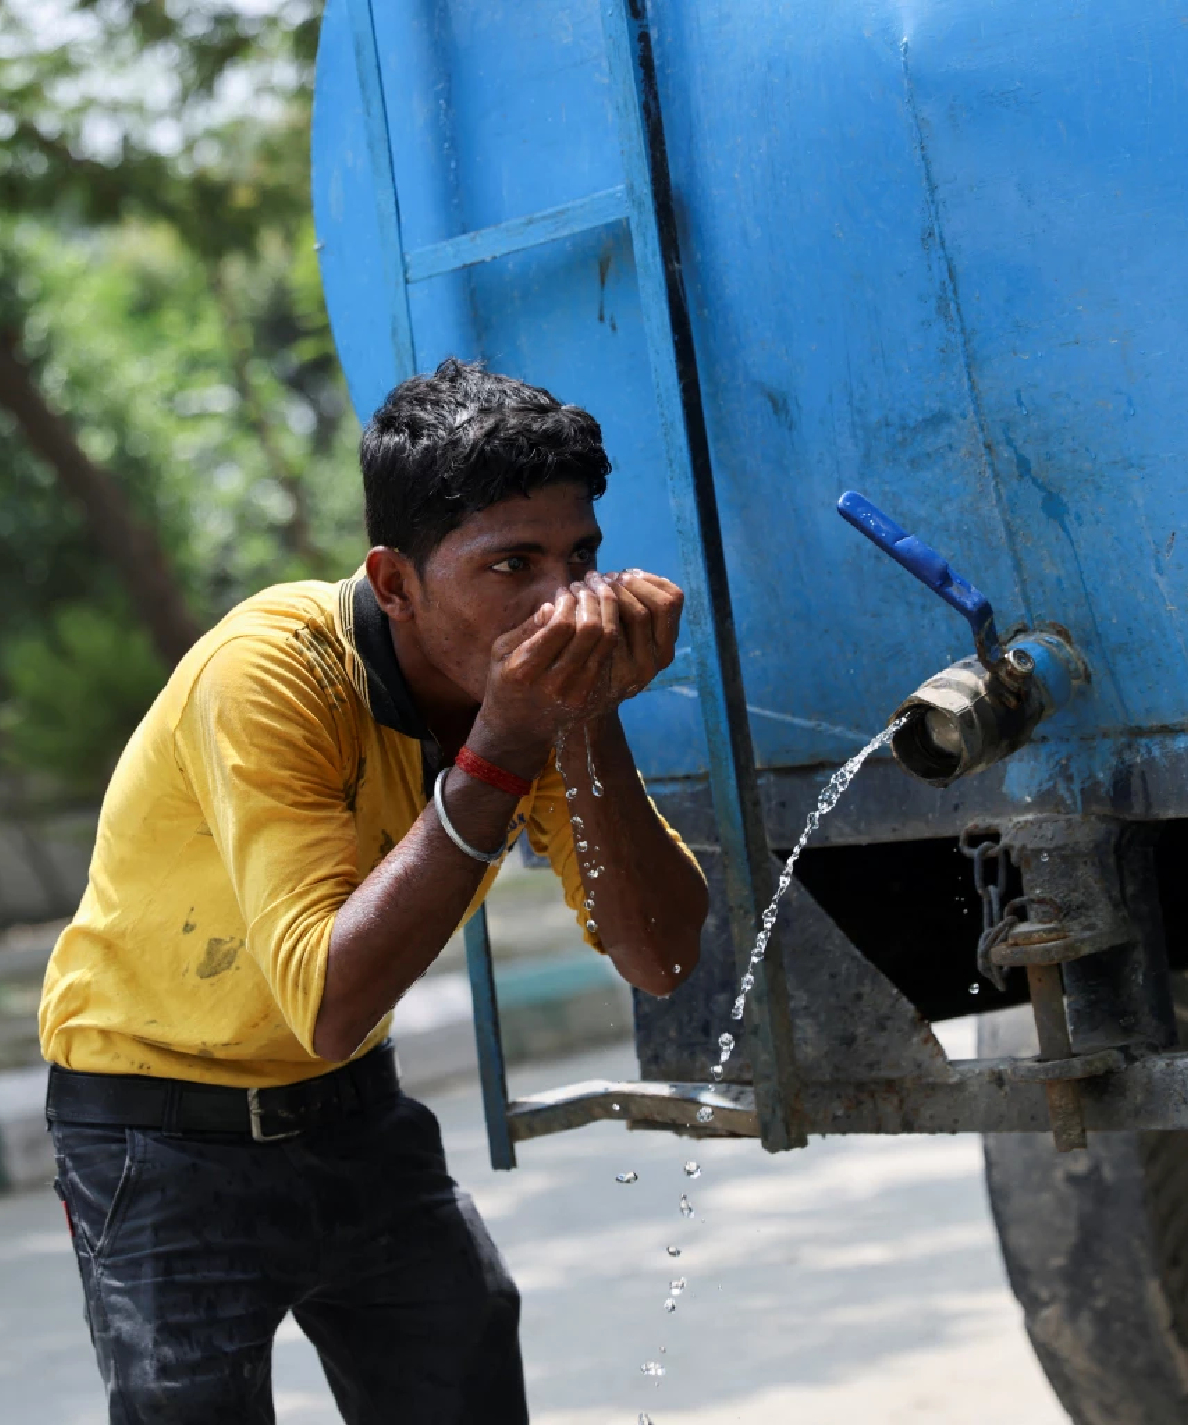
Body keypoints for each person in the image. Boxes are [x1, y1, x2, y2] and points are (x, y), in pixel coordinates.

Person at [39, 357, 709, 1424]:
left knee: (463, 1368)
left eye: (579, 557)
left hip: (352, 1108)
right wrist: (503, 745)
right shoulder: (271, 672)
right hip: (155, 1130)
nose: (562, 602)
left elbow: (660, 956)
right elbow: (327, 1002)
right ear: (395, 584)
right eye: (512, 564)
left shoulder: (526, 697)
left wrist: (586, 716)